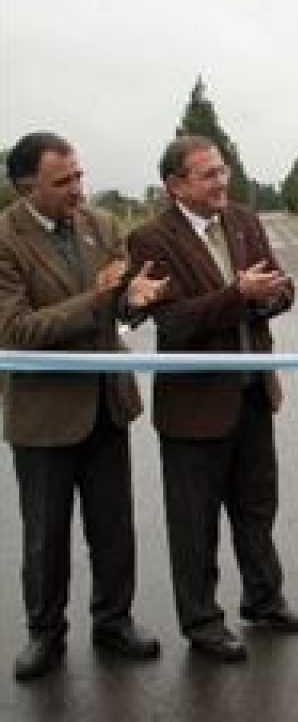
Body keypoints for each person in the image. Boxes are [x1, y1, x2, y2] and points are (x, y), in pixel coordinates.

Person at [126, 135, 298, 663]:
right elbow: (174, 323)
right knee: (195, 521)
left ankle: (264, 599)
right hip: (194, 408)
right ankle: (202, 623)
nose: (221, 181)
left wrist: (275, 295)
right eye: (208, 174)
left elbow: (279, 287)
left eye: (223, 169)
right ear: (176, 185)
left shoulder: (245, 221)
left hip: (252, 395)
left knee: (257, 508)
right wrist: (238, 296)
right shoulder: (150, 239)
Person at [0, 131, 168, 680]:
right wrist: (101, 301)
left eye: (79, 176)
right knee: (46, 534)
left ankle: (113, 621)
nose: (78, 189)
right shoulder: (6, 240)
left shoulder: (103, 226)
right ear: (27, 186)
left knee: (114, 525)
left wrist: (136, 302)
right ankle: (45, 634)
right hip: (44, 417)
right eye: (63, 181)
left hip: (107, 404)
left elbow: (120, 309)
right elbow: (15, 330)